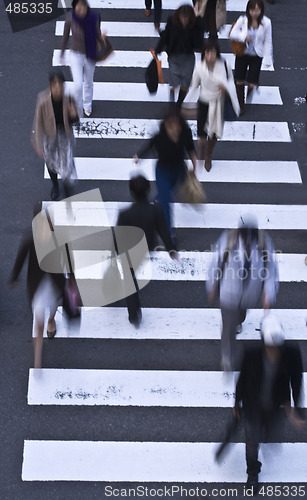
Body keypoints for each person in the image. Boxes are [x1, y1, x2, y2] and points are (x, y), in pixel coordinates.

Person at [234, 313, 305, 494]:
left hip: (276, 403)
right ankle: (252, 473)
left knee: (271, 433)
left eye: (277, 346)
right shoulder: (251, 354)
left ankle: (264, 435)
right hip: (252, 404)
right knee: (252, 439)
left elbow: (296, 381)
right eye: (270, 346)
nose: (274, 350)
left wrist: (296, 410)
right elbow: (242, 379)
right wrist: (237, 402)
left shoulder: (292, 353)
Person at [206, 216, 278, 371]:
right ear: (239, 234)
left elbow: (271, 269)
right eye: (246, 239)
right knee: (228, 327)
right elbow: (215, 264)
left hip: (249, 293)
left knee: (241, 315)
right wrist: (212, 285)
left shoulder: (263, 243)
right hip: (229, 292)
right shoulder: (228, 241)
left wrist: (268, 292)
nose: (248, 244)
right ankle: (228, 357)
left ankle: (238, 321)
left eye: (251, 240)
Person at [8, 203, 66, 369]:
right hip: (38, 284)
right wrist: (14, 277)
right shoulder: (30, 239)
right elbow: (20, 259)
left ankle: (52, 321)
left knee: (53, 307)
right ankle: (37, 359)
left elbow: (68, 259)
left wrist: (72, 280)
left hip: (55, 282)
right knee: (38, 318)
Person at [117, 175, 177, 327]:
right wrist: (171, 249)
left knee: (129, 281)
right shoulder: (155, 210)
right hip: (147, 247)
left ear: (131, 191)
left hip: (129, 250)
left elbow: (119, 236)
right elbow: (163, 231)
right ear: (149, 190)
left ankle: (134, 315)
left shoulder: (125, 214)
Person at [133, 111, 197, 237]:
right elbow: (149, 146)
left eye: (176, 126)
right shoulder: (159, 137)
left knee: (181, 190)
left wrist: (194, 168)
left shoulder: (186, 133)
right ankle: (169, 231)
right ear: (165, 127)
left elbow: (191, 150)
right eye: (170, 126)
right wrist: (139, 156)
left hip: (180, 169)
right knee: (166, 202)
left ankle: (159, 196)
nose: (174, 130)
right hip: (163, 171)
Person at [183, 38, 239, 172]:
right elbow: (194, 86)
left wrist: (226, 88)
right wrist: (185, 105)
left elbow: (231, 81)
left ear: (217, 52)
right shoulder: (199, 67)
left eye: (212, 52)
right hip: (203, 101)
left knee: (213, 134)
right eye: (207, 53)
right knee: (201, 137)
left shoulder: (224, 65)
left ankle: (208, 155)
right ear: (204, 53)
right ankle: (201, 149)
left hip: (218, 103)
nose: (210, 56)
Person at [31, 70, 79, 201]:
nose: (57, 87)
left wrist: (73, 114)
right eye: (54, 84)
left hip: (65, 134)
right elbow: (38, 122)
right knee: (50, 162)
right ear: (50, 85)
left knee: (66, 164)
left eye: (60, 84)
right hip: (49, 134)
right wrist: (38, 143)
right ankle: (55, 185)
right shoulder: (43, 99)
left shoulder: (69, 98)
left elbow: (76, 121)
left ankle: (67, 187)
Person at [155, 4, 204, 108]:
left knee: (186, 83)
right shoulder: (172, 21)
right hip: (174, 56)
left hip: (188, 57)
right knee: (174, 81)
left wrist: (199, 23)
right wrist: (158, 50)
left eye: (186, 17)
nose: (184, 20)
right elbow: (165, 36)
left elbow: (199, 44)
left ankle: (178, 104)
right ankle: (172, 93)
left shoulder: (195, 25)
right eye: (182, 17)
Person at [229, 0, 273, 115]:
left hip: (256, 56)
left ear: (261, 10)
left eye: (257, 10)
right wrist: (244, 37)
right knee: (239, 80)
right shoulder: (242, 20)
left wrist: (268, 58)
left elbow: (268, 41)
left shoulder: (266, 23)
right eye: (252, 10)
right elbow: (233, 34)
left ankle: (251, 88)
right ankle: (240, 105)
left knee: (252, 82)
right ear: (248, 10)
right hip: (242, 54)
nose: (255, 13)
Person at [61, 0, 102, 117]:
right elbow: (65, 38)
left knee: (88, 82)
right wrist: (62, 53)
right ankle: (77, 108)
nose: (82, 10)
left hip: (90, 54)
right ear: (74, 8)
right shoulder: (70, 19)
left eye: (83, 7)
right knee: (78, 85)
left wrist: (102, 43)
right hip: (75, 54)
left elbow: (97, 34)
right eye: (79, 8)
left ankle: (87, 105)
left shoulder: (94, 18)